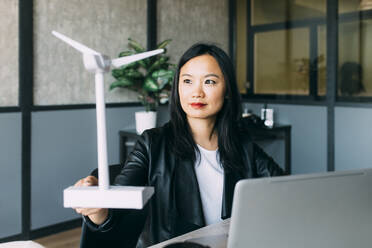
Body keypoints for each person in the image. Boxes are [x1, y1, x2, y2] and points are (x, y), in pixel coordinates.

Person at [74, 43, 284, 248]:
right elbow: (116, 209)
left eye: (209, 82)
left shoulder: (242, 145)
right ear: (178, 88)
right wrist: (98, 211)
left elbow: (285, 189)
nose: (197, 92)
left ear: (227, 89)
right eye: (187, 81)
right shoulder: (152, 143)